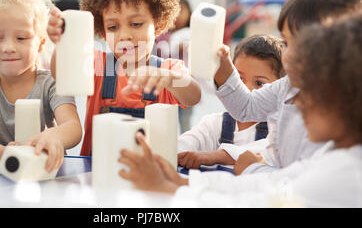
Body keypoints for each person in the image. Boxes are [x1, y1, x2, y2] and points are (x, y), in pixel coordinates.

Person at [118, 14, 362, 207]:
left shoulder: (345, 175)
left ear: (349, 95)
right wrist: (183, 182)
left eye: (309, 92)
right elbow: (270, 187)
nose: (296, 102)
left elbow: (257, 203)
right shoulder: (331, 158)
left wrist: (170, 190)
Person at [46, 0, 202, 156]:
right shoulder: (96, 63)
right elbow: (61, 72)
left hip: (151, 176)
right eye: (113, 27)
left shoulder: (169, 69)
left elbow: (193, 97)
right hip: (96, 172)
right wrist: (63, 42)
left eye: (136, 24)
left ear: (160, 24)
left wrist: (171, 79)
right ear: (102, 32)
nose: (125, 36)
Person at [214, 0, 362, 175]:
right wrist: (222, 63)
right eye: (285, 42)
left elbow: (300, 184)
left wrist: (253, 169)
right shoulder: (288, 85)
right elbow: (245, 108)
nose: (288, 55)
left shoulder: (338, 117)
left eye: (301, 43)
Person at [0, 0, 82, 173]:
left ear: (41, 42)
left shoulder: (52, 82)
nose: (8, 47)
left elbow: (73, 127)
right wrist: (3, 154)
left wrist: (54, 137)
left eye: (21, 38)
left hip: (46, 171)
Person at [177, 34, 285, 169]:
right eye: (239, 79)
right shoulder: (216, 124)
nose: (246, 89)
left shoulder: (279, 130)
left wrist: (215, 156)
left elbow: (270, 152)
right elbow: (189, 142)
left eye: (259, 83)